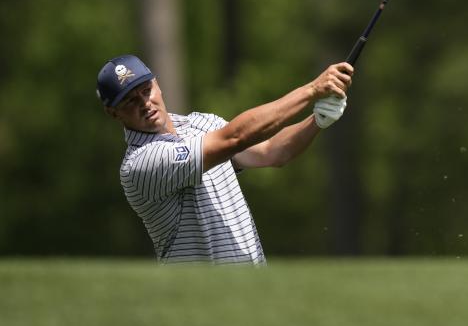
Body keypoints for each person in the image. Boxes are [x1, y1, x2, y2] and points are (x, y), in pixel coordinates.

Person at [96, 54, 353, 265]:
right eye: (130, 100)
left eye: (145, 90)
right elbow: (235, 138)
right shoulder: (139, 165)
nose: (145, 103)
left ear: (157, 84)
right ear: (113, 113)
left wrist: (317, 121)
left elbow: (273, 152)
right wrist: (311, 91)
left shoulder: (202, 123)